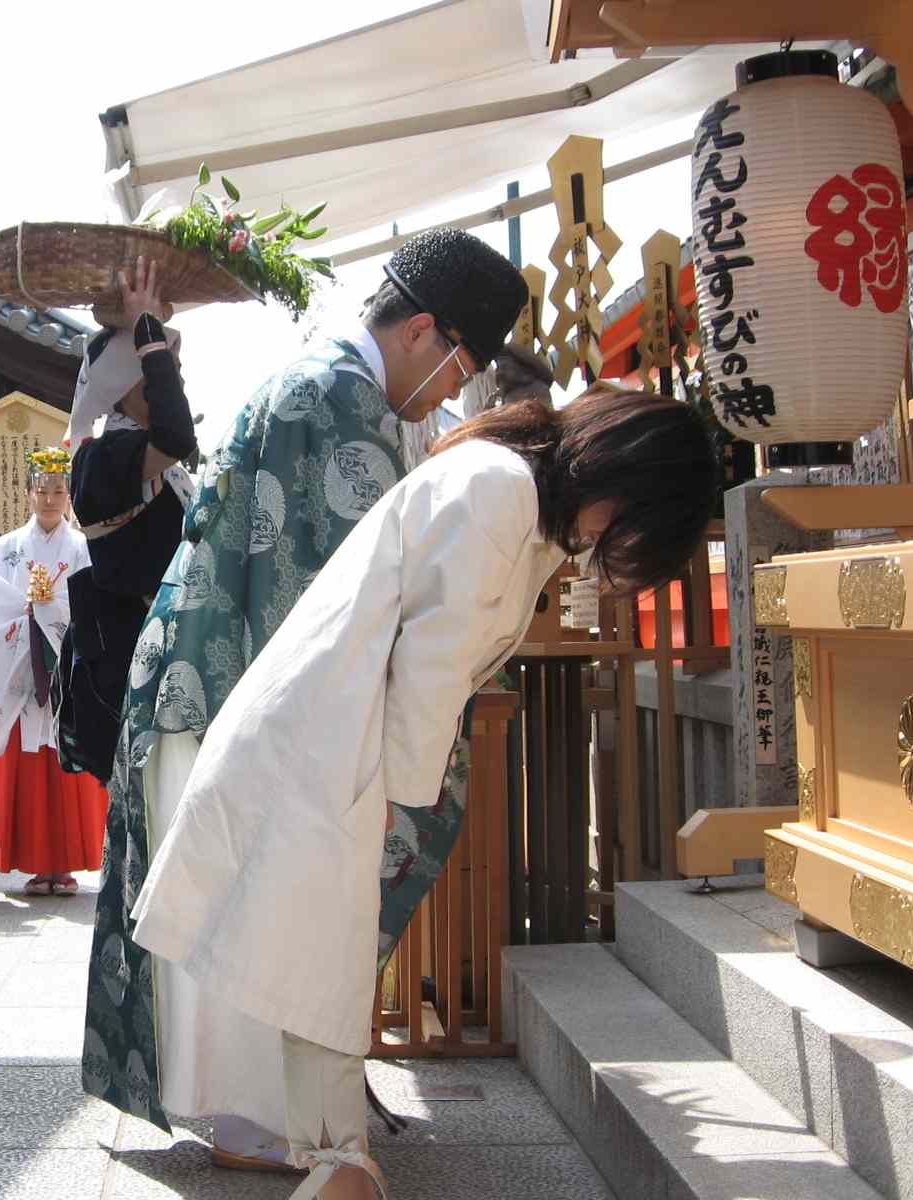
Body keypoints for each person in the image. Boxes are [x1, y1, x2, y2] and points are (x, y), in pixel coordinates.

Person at [131, 386, 718, 1199]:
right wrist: (399, 798)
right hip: (333, 747)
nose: (615, 554)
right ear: (626, 482)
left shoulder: (512, 494)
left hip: (335, 741)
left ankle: (336, 1161)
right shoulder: (502, 492)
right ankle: (337, 1163)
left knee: (313, 971)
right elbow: (434, 665)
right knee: (316, 970)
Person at [82, 231, 529, 1168]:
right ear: (420, 330)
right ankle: (257, 1124)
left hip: (206, 677)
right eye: (459, 368)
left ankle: (264, 1115)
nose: (454, 393)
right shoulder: (338, 401)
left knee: (228, 912)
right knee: (248, 913)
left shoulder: (340, 388)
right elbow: (328, 595)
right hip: (224, 686)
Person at [57, 260, 197, 788]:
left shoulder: (133, 452)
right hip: (137, 661)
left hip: (163, 655)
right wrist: (145, 335)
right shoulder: (102, 458)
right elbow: (177, 433)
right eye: (159, 373)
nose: (173, 381)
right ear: (125, 385)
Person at [0, 447, 104, 896]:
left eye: (59, 491)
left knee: (67, 763)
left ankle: (65, 863)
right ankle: (34, 862)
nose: (50, 499)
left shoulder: (85, 549)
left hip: (68, 671)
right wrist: (29, 611)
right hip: (21, 671)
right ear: (28, 493)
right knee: (28, 766)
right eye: (42, 490)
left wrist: (51, 611)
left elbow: (95, 608)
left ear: (69, 497)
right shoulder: (2, 550)